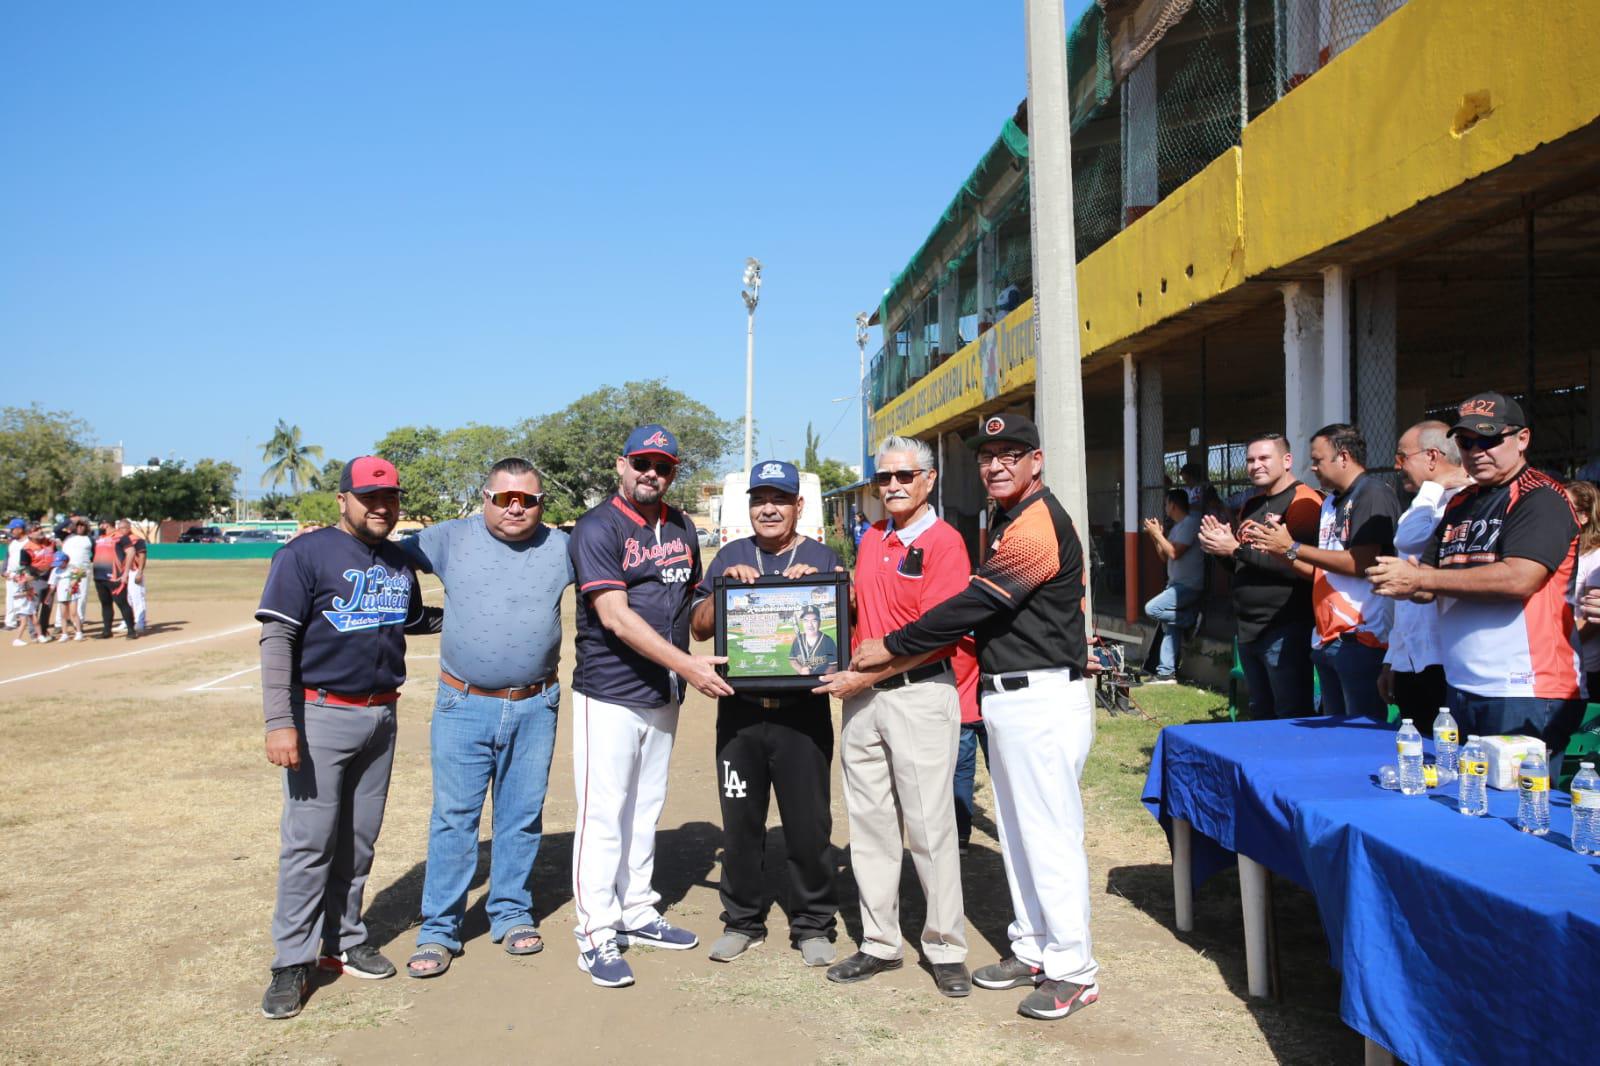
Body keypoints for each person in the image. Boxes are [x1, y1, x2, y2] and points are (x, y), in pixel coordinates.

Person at [853, 414, 1101, 1022]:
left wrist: (891, 645)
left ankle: (1073, 969)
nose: (996, 465)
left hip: (1043, 694)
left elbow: (976, 602)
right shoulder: (1007, 515)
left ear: (1036, 461)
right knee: (1018, 837)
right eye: (988, 456)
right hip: (1014, 693)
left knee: (1050, 837)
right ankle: (1034, 947)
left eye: (1010, 454)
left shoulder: (1038, 521)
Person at [255, 457, 443, 1021]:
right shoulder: (303, 555)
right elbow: (277, 641)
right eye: (369, 497)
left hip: (381, 717)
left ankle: (344, 938)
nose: (381, 507)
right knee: (309, 845)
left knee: (359, 842)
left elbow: (410, 620)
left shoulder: (397, 560)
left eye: (389, 498)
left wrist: (485, 615)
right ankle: (292, 961)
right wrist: (278, 722)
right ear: (343, 500)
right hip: (319, 717)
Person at [566, 424, 730, 989]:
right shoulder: (597, 526)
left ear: (674, 471)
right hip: (608, 691)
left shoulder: (684, 525)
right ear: (621, 464)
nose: (650, 473)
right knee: (602, 815)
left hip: (663, 694)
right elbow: (613, 615)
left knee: (644, 810)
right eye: (641, 463)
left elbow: (694, 602)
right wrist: (687, 665)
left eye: (661, 465)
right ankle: (595, 931)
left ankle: (636, 910)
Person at [809, 434, 972, 998]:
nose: (895, 486)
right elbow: (855, 614)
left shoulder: (946, 542)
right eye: (885, 478)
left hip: (919, 696)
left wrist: (862, 677)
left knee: (929, 828)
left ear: (928, 480)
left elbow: (939, 635)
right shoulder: (873, 537)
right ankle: (880, 942)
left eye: (905, 476)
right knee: (871, 827)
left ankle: (946, 946)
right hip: (863, 703)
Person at [401, 458, 573, 979]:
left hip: (536, 704)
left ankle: (511, 911)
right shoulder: (448, 539)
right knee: (455, 818)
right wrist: (412, 615)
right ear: (486, 497)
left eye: (528, 499)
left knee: (521, 815)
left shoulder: (563, 547)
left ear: (542, 503)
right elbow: (381, 555)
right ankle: (439, 927)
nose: (516, 507)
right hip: (463, 703)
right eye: (504, 498)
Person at [1369, 392, 1585, 768]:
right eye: (1467, 442)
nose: (1476, 451)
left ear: (1522, 439)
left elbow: (1520, 578)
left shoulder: (1540, 497)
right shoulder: (1459, 503)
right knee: (1468, 804)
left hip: (1525, 689)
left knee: (1518, 811)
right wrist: (1400, 582)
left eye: (1489, 439)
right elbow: (1429, 580)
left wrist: (1425, 580)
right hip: (1462, 684)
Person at [688, 460, 841, 967]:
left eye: (779, 499)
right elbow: (700, 627)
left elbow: (848, 618)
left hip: (803, 717)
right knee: (740, 824)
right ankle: (742, 921)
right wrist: (725, 589)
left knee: (809, 826)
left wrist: (820, 583)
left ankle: (814, 924)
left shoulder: (821, 554)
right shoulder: (730, 554)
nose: (768, 508)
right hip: (742, 716)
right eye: (759, 499)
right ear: (749, 506)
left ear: (799, 506)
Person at [1245, 424, 1399, 718]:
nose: (1312, 467)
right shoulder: (1330, 501)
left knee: (1359, 732)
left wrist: (1293, 546)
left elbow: (1362, 563)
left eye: (1318, 460)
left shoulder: (1372, 494)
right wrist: (1281, 550)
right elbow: (1320, 568)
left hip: (1362, 636)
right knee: (1333, 733)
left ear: (1343, 457)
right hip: (1327, 637)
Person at [1196, 433, 1321, 718]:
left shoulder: (1303, 503)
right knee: (1260, 712)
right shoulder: (1251, 506)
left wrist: (1237, 550)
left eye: (1264, 458)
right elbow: (1244, 565)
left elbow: (1301, 567)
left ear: (1287, 460)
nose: (1256, 465)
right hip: (1248, 629)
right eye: (1250, 460)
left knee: (1291, 715)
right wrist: (1221, 549)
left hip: (1284, 628)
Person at [1376, 422, 1471, 722]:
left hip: (1445, 660)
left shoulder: (1464, 500)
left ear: (1432, 457)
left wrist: (1435, 485)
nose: (1396, 465)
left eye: (1403, 457)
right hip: (1412, 659)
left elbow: (1409, 539)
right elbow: (1404, 604)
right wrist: (1393, 659)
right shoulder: (1422, 503)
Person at [1141, 489, 1202, 682]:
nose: (1165, 508)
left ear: (1173, 505)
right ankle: (1166, 672)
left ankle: (1189, 620)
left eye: (1166, 504)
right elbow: (1164, 555)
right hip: (1175, 585)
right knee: (1170, 626)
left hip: (1188, 586)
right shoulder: (1177, 527)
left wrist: (1157, 535)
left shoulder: (1190, 523)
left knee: (1152, 609)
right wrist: (1155, 535)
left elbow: (1175, 553)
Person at [949, 635, 985, 854]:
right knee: (1005, 775)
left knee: (961, 775)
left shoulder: (952, 638)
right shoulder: (982, 635)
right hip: (987, 706)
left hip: (961, 710)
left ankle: (961, 836)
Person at [1565, 481, 1600, 703]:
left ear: (1584, 516)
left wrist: (1556, 641)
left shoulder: (1595, 556)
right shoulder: (1565, 550)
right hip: (1565, 662)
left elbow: (1592, 619)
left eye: (1565, 508)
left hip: (1586, 666)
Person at [92, 519, 136, 640]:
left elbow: (131, 552)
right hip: (99, 576)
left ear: (107, 523)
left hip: (115, 576)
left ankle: (131, 630)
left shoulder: (120, 536)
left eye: (101, 523)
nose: (99, 526)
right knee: (105, 604)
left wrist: (126, 572)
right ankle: (107, 631)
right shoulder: (99, 538)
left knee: (122, 603)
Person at [56, 518, 93, 641]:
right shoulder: (67, 536)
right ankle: (59, 624)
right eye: (78, 525)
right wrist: (69, 520)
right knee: (63, 597)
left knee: (80, 597)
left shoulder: (90, 538)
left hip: (82, 570)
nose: (80, 527)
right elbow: (56, 529)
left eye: (83, 525)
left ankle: (79, 622)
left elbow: (95, 552)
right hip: (66, 569)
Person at [122, 522, 148, 633]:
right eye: (119, 528)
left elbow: (142, 556)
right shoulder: (120, 540)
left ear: (129, 528)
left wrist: (140, 572)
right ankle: (127, 622)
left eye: (123, 528)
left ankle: (140, 622)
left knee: (137, 597)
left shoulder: (136, 540)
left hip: (134, 571)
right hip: (124, 572)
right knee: (127, 598)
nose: (121, 530)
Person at [5, 519, 27, 630]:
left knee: (23, 599)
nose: (11, 531)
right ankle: (10, 623)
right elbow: (8, 558)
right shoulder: (13, 542)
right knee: (10, 599)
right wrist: (5, 571)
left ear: (20, 529)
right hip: (10, 574)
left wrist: (24, 574)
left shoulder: (28, 542)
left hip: (23, 575)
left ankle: (26, 622)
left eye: (13, 529)